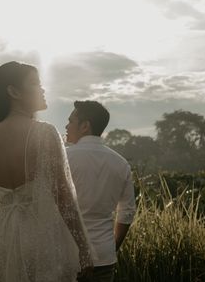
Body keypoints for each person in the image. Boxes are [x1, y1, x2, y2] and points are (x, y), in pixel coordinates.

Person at [0, 61, 95, 282]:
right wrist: (84, 249)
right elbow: (63, 194)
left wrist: (3, 199)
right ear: (13, 91)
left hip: (1, 236)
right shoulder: (45, 133)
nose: (42, 89)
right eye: (34, 83)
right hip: (39, 236)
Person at [64, 101, 137, 282]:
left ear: (85, 126)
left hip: (66, 254)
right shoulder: (121, 163)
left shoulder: (64, 158)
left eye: (71, 121)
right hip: (104, 256)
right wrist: (112, 246)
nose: (66, 126)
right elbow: (127, 212)